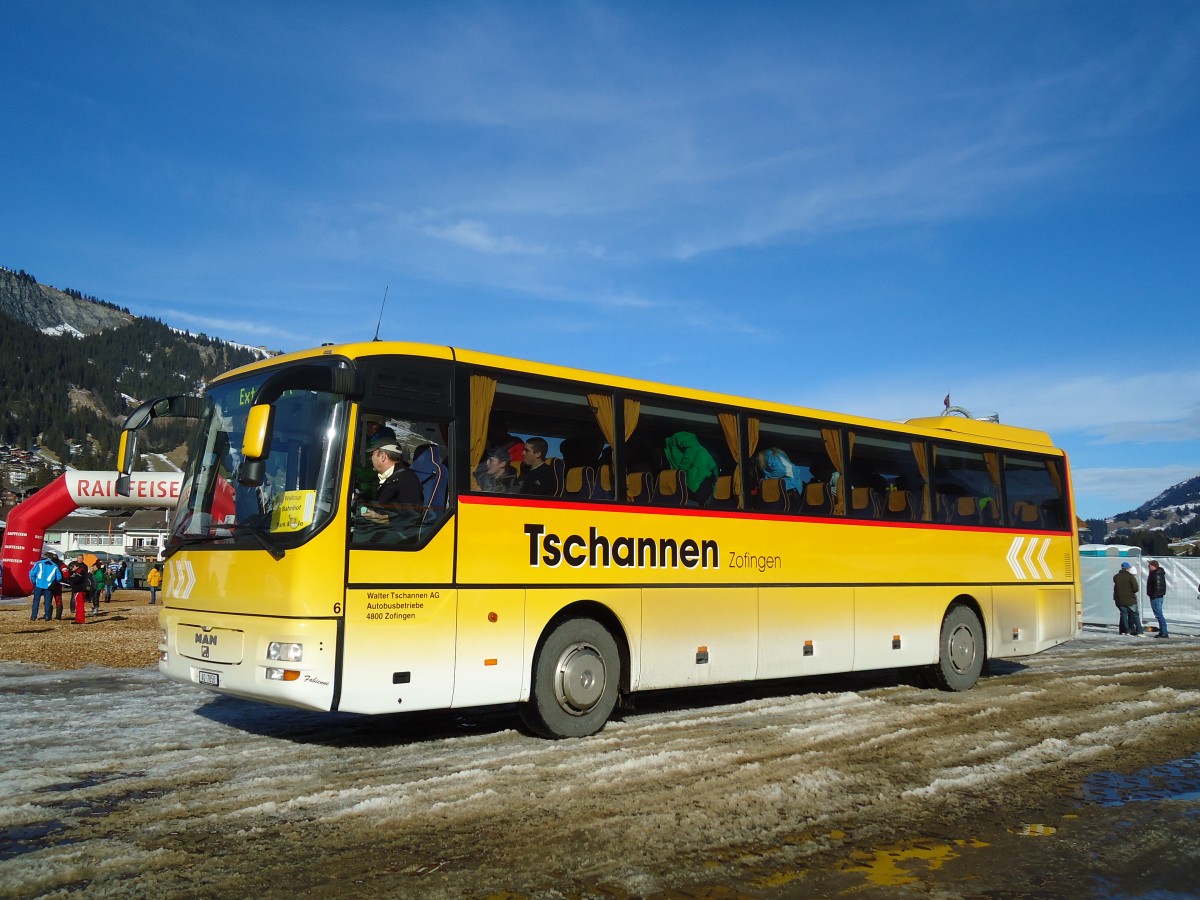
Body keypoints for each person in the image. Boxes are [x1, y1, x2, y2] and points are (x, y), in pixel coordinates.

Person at [356, 443, 423, 538]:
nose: (371, 458)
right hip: (382, 532)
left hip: (394, 540)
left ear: (383, 456)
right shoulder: (389, 476)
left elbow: (413, 517)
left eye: (373, 454)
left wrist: (381, 519)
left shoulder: (406, 479)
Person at [664, 431, 719, 507]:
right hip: (699, 487)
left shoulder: (678, 440)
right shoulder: (702, 453)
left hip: (695, 488)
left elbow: (692, 448)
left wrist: (680, 471)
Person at [28, 552, 60, 622]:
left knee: (36, 601)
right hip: (48, 586)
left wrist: (34, 582)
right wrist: (53, 581)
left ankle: (33, 616)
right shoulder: (55, 566)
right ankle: (47, 616)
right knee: (47, 601)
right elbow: (59, 577)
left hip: (38, 584)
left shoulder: (39, 563)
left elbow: (31, 574)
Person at [1113, 562, 1141, 636]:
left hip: (1120, 599)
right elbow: (1135, 588)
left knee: (1124, 615)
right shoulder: (1130, 577)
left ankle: (1126, 631)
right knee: (1135, 615)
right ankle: (1139, 631)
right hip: (1130, 599)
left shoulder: (1116, 577)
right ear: (1128, 568)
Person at [1146, 559, 1169, 638]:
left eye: (1149, 565)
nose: (1148, 566)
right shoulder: (1156, 573)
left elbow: (1158, 586)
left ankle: (1164, 632)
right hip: (1156, 596)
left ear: (1153, 566)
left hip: (1156, 597)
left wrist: (1154, 595)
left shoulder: (1156, 574)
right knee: (1158, 614)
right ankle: (1163, 631)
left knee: (1159, 615)